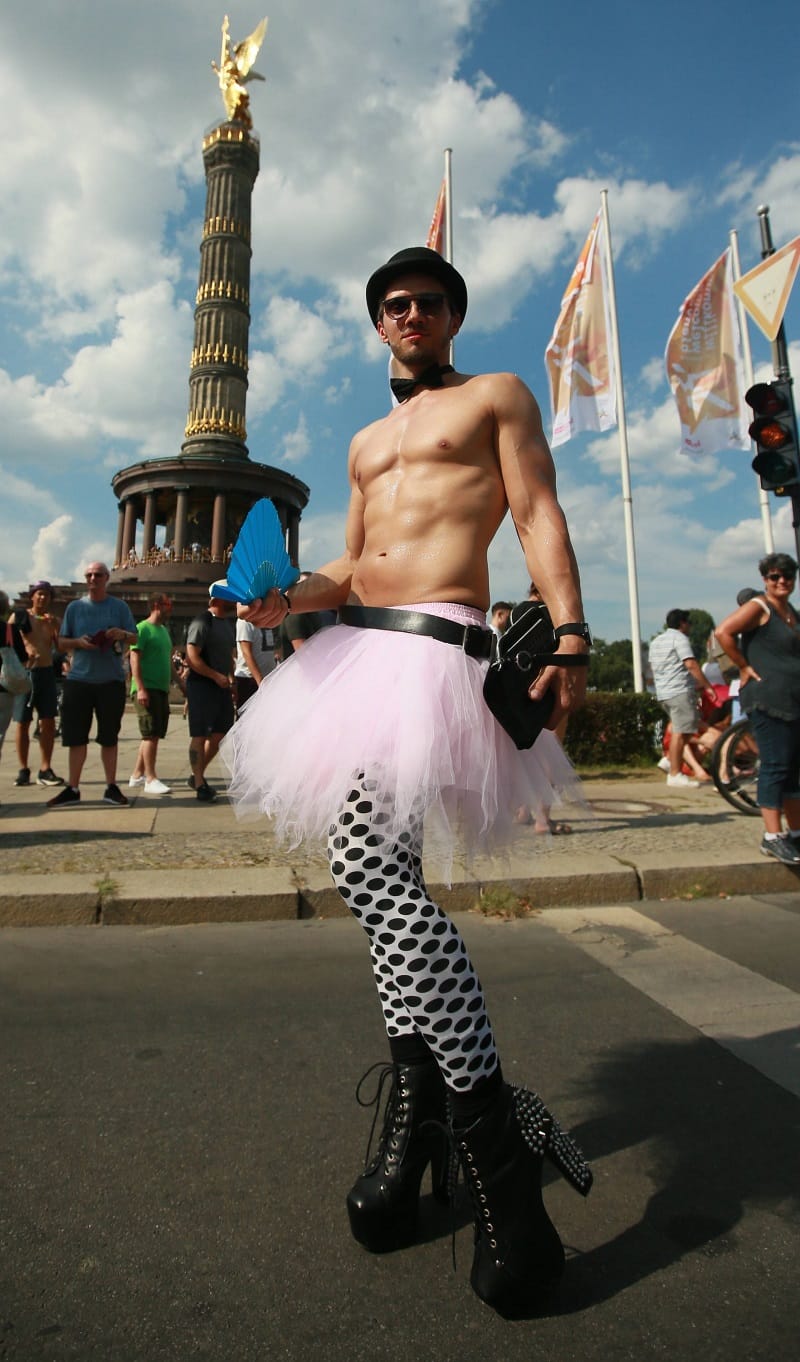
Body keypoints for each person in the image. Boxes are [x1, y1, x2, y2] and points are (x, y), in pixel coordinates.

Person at [221, 246, 592, 1314]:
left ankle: (495, 1152)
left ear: (451, 315)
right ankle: (419, 1114)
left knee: (365, 869)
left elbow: (534, 515)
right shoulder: (361, 440)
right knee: (381, 890)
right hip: (356, 648)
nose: (409, 314)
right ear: (377, 323)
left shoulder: (494, 396)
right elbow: (349, 564)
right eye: (392, 304)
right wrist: (286, 598)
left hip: (440, 650)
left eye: (427, 301)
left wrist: (568, 637)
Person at [714, 553, 800, 865]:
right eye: (775, 576)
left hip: (792, 701)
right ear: (765, 579)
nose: (782, 581)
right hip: (768, 699)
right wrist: (744, 666)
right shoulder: (759, 607)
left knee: (792, 770)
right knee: (775, 766)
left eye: (788, 576)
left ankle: (795, 833)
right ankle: (772, 835)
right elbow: (723, 632)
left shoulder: (790, 611)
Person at [48, 563, 137, 808]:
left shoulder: (119, 607)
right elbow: (62, 643)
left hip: (111, 681)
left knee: (109, 737)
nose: (93, 578)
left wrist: (121, 634)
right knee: (76, 737)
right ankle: (73, 787)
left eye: (98, 575)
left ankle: (111, 786)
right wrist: (78, 641)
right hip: (79, 680)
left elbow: (135, 637)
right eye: (89, 575)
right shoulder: (75, 608)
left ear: (107, 578)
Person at [649, 609, 717, 788]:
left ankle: (669, 759)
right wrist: (707, 686)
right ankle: (675, 774)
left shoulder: (656, 642)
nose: (691, 627)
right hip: (679, 692)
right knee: (682, 732)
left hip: (664, 692)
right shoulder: (680, 639)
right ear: (682, 624)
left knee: (685, 728)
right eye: (689, 623)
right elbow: (690, 664)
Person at [11, 581, 64, 788]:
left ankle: (45, 768)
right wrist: (24, 655)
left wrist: (55, 628)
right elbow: (7, 644)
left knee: (48, 722)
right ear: (32, 596)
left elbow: (60, 648)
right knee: (22, 723)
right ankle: (23, 768)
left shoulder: (53, 620)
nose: (43, 598)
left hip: (47, 673)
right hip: (25, 674)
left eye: (47, 595)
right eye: (39, 594)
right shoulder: (20, 617)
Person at [185, 586, 236, 802]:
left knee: (220, 734)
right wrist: (214, 676)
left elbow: (228, 655)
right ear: (218, 598)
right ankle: (199, 783)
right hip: (202, 685)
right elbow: (192, 657)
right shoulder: (203, 621)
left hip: (221, 686)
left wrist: (230, 677)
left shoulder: (227, 624)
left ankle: (197, 773)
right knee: (200, 735)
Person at [128, 594, 174, 795]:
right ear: (156, 605)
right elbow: (134, 659)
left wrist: (181, 683)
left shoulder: (163, 631)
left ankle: (136, 775)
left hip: (161, 689)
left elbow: (169, 661)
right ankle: (150, 778)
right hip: (147, 688)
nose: (170, 609)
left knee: (152, 733)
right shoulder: (142, 629)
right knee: (151, 734)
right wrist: (140, 688)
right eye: (167, 605)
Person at [233, 617, 276, 711]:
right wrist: (260, 682)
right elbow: (246, 653)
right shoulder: (245, 621)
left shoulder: (265, 618)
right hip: (250, 680)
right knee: (247, 720)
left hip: (268, 679)